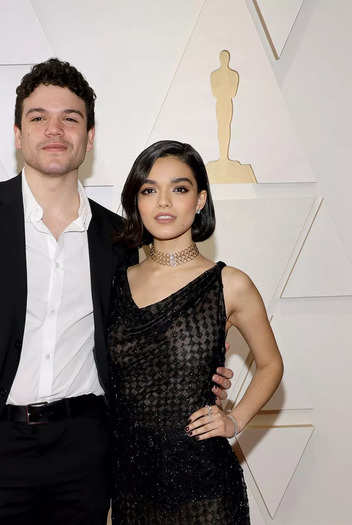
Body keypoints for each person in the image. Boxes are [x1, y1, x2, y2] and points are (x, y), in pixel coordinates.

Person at [0, 59, 233, 525]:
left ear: (89, 137)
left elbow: (148, 332)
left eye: (70, 118)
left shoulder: (120, 238)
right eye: (38, 117)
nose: (54, 129)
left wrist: (201, 374)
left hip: (87, 452)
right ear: (18, 134)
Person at [108, 140, 284, 524]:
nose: (164, 202)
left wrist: (234, 420)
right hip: (130, 486)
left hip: (205, 488)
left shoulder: (229, 284)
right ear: (136, 201)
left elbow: (271, 365)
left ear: (200, 199)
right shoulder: (114, 282)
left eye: (180, 189)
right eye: (149, 190)